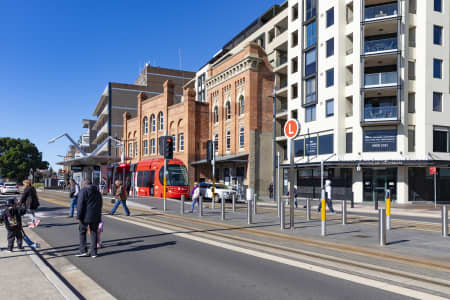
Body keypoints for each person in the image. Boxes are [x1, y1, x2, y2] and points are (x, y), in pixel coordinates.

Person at [76, 180, 103, 258]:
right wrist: (99, 215)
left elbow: (80, 205)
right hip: (96, 216)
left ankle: (83, 251)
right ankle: (94, 253)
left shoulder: (83, 191)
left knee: (82, 232)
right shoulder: (97, 192)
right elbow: (100, 204)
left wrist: (79, 216)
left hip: (85, 216)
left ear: (84, 184)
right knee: (94, 233)